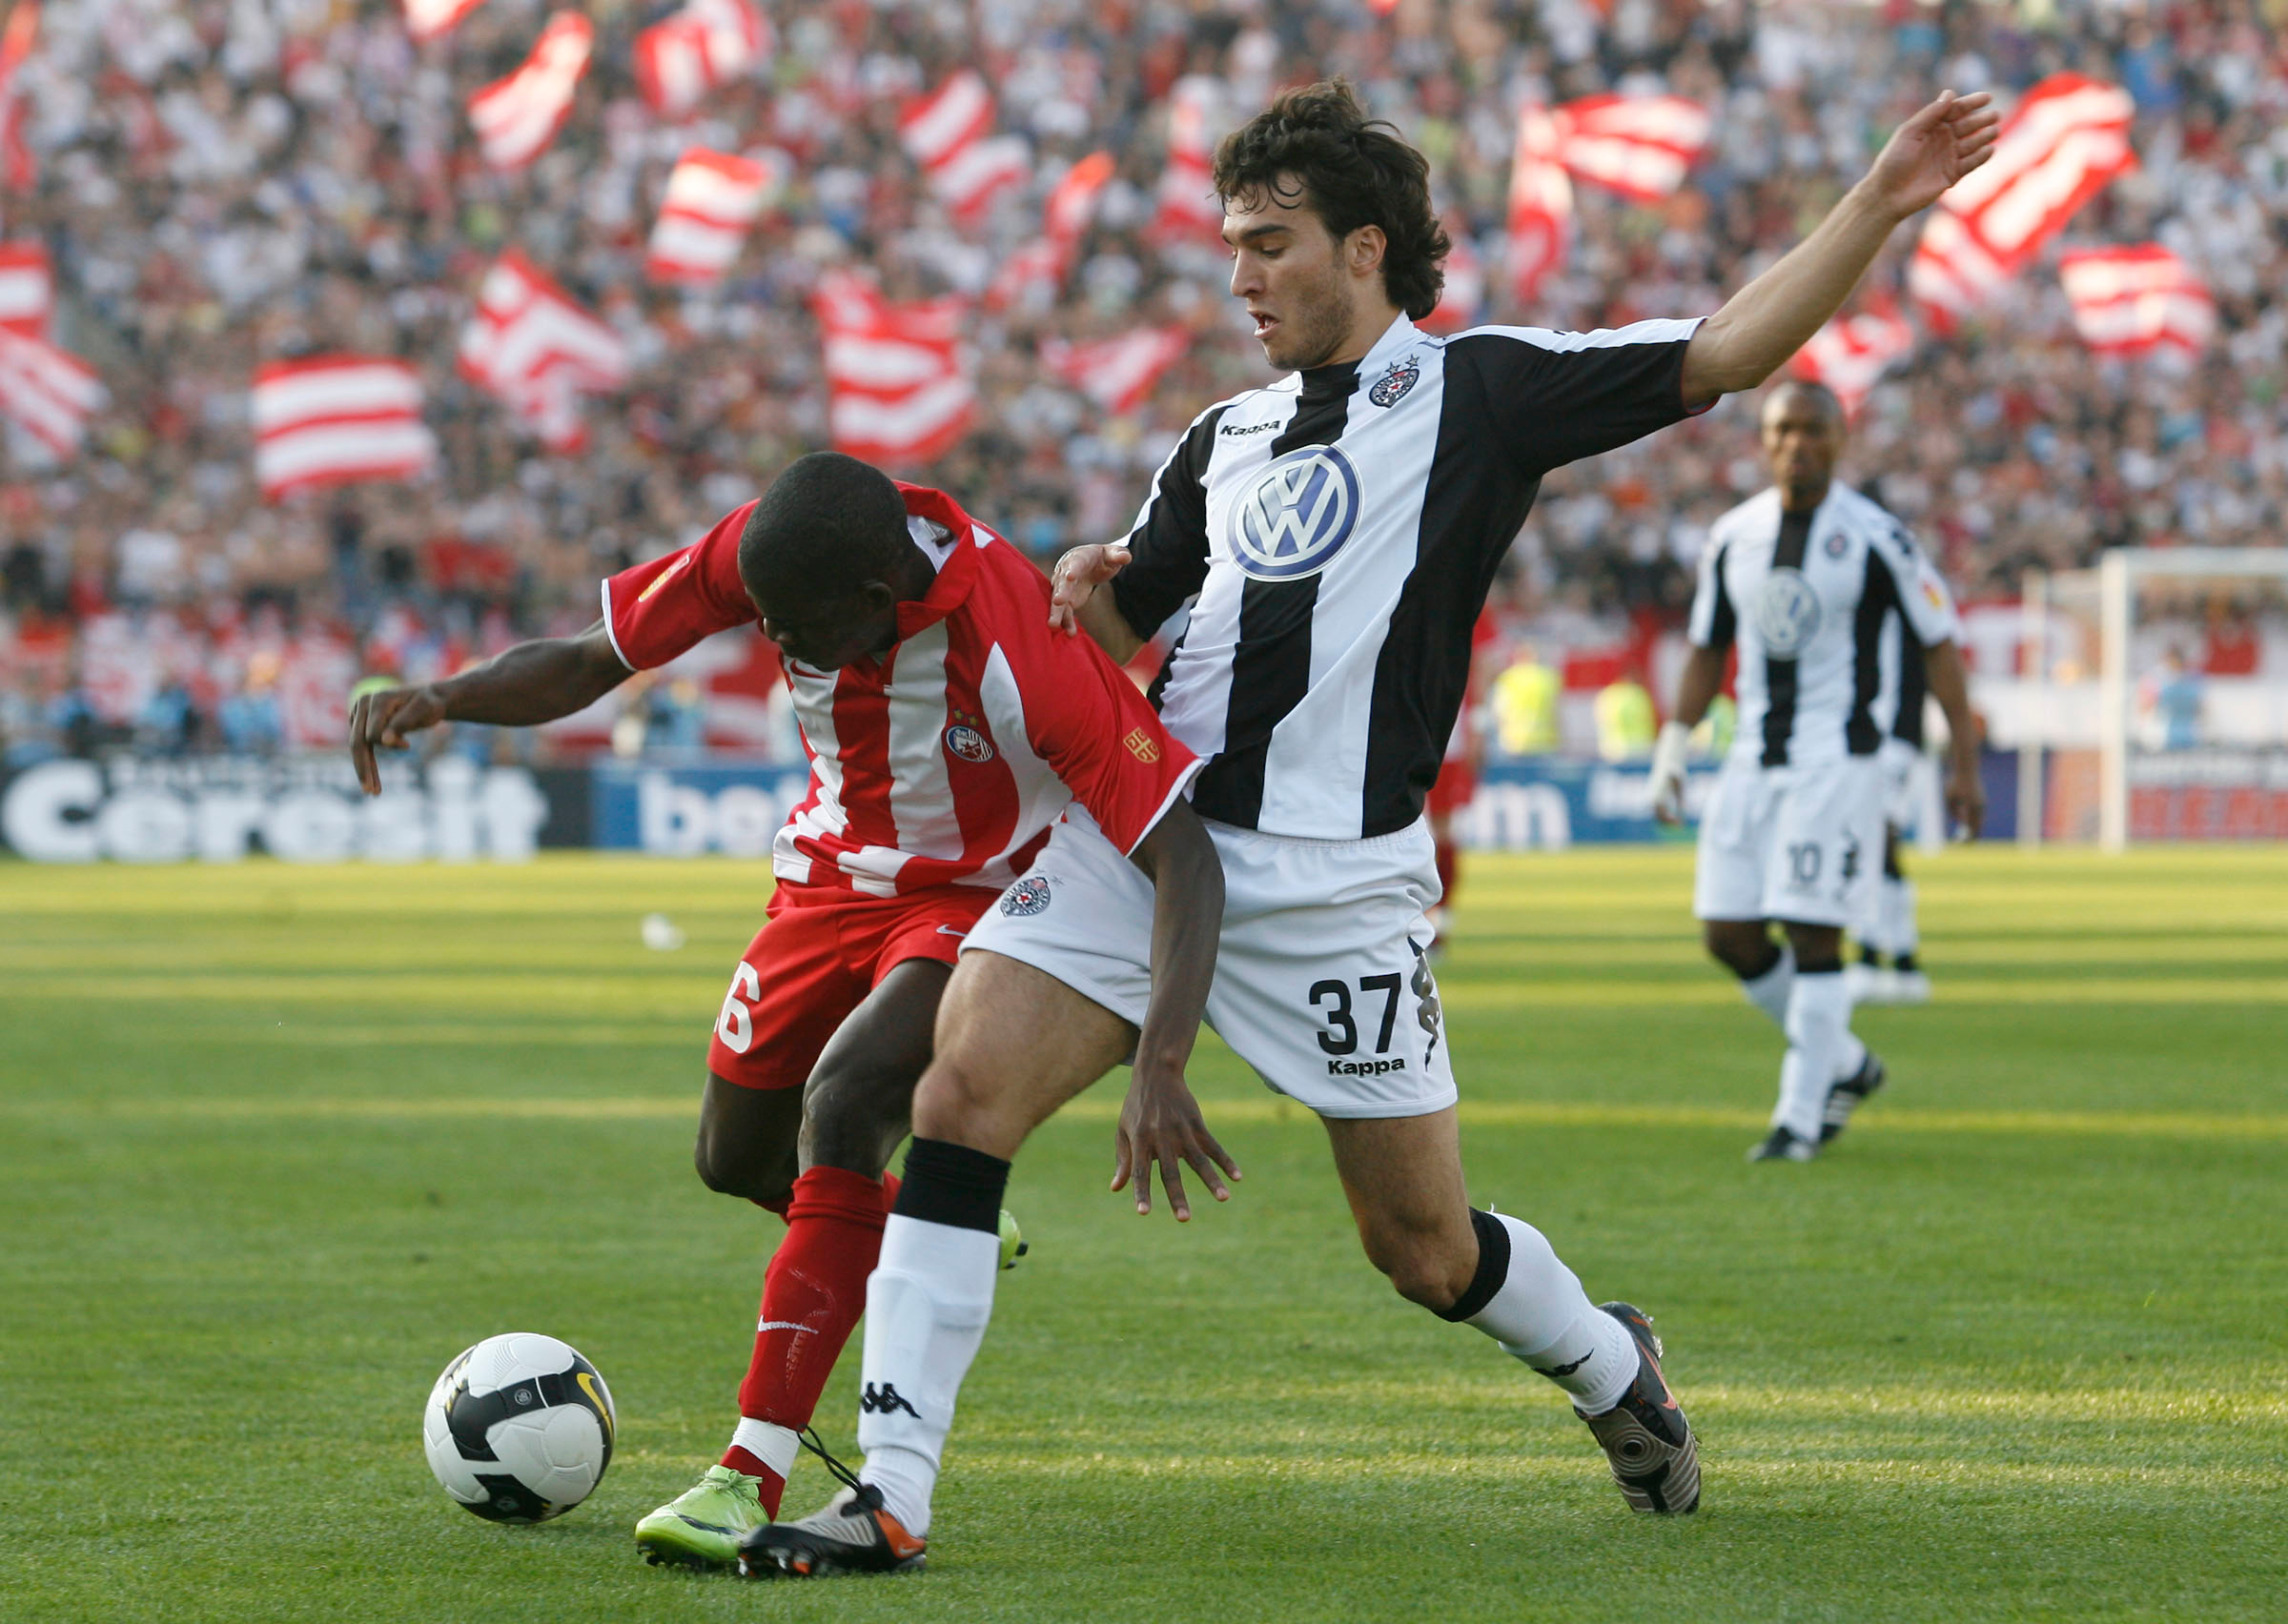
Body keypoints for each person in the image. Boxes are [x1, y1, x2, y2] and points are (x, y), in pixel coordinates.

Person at [748, 78, 1999, 1575]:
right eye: (1231, 244)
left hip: (1336, 887)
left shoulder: (1483, 391)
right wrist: (1086, 587)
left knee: (1421, 1247)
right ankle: (891, 1494)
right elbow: (1128, 627)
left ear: (1364, 249)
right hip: (1152, 847)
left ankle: (1612, 1368)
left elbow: (1724, 352)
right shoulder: (1220, 437)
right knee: (958, 1098)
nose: (1240, 276)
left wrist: (1878, 200)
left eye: (1270, 243)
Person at [346, 451, 1223, 1568]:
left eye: (794, 629)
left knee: (845, 1104)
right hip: (824, 883)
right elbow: (593, 658)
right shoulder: (776, 553)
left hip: (974, 900)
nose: (772, 639)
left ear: (876, 599)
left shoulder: (1025, 644)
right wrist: (446, 698)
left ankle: (746, 1474)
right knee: (735, 1160)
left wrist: (1162, 1060)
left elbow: (1185, 856)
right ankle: (925, 1220)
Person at [1649, 381, 1984, 1162]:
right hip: (1751, 757)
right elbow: (1706, 647)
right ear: (1763, 442)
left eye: (1813, 430)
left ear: (1839, 440)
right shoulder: (1734, 536)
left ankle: (1798, 1120)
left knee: (1812, 933)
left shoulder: (1878, 538)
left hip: (1839, 761)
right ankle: (1847, 1063)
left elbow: (1939, 645)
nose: (1797, 444)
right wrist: (1673, 747)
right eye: (1783, 430)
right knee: (1728, 934)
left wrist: (1964, 766)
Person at [1848, 634, 1934, 1005]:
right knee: (1873, 847)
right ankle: (1903, 964)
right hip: (1863, 740)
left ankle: (1873, 959)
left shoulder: (1905, 604)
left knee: (1876, 844)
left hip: (1896, 740)